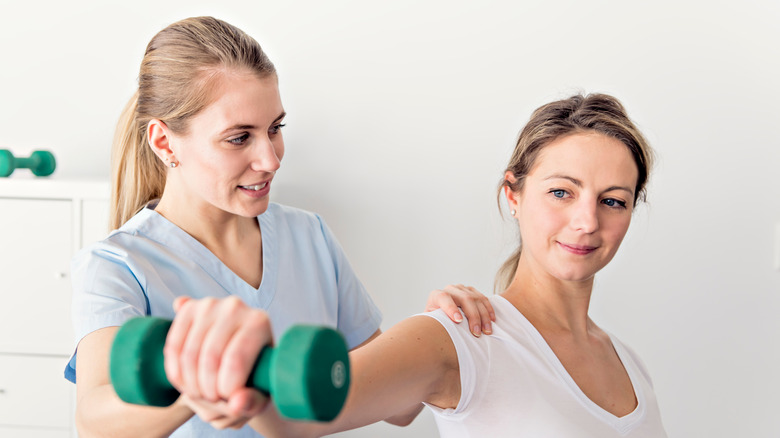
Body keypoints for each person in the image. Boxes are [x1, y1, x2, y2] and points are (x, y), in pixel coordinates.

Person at [65, 16, 494, 438]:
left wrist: (437, 329)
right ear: (164, 142)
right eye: (239, 137)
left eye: (275, 128)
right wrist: (196, 391)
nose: (270, 159)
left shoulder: (308, 237)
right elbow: (93, 421)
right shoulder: (118, 265)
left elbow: (398, 409)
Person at [165, 93, 668, 437]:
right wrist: (241, 387)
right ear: (512, 195)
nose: (585, 221)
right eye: (561, 192)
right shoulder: (461, 337)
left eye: (614, 200)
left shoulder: (629, 364)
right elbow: (309, 414)